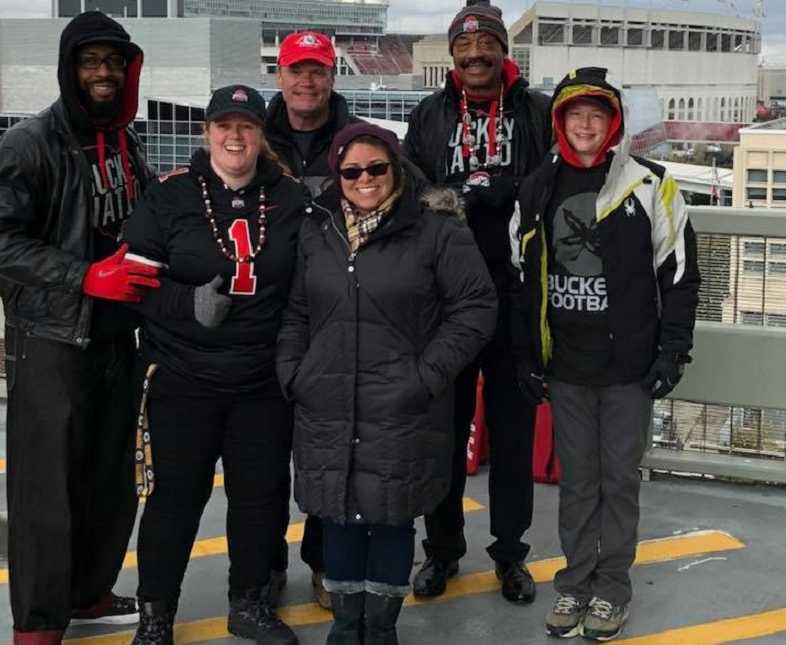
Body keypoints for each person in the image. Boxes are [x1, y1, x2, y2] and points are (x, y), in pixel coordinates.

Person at [276, 122, 498, 644]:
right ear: (338, 176)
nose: (365, 178)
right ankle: (345, 626)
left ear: (396, 168)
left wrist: (427, 376)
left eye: (377, 167)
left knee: (391, 518)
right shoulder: (318, 229)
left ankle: (379, 630)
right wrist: (294, 372)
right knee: (338, 515)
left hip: (402, 401)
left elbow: (476, 306)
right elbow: (297, 311)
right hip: (327, 398)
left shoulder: (436, 229)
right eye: (352, 170)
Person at [510, 67, 700, 641]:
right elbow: (523, 277)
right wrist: (526, 354)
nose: (585, 124)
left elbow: (681, 276)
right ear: (559, 122)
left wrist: (673, 352)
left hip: (628, 369)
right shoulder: (537, 188)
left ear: (613, 123)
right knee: (578, 482)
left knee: (619, 480)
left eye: (596, 114)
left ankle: (612, 587)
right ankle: (574, 582)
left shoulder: (653, 185)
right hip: (566, 364)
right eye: (574, 114)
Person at [123, 85, 303, 645]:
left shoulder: (292, 199)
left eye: (246, 126)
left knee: (260, 495)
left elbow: (313, 284)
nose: (234, 136)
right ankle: (156, 615)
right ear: (207, 133)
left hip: (260, 378)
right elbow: (134, 281)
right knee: (175, 496)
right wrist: (187, 304)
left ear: (260, 136)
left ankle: (247, 603)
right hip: (182, 374)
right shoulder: (171, 195)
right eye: (223, 125)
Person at [0, 12, 159, 644]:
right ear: (70, 69)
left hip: (120, 337)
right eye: (91, 61)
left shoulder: (127, 141)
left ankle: (88, 593)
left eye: (113, 62)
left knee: (109, 477)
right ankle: (39, 622)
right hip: (52, 340)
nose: (103, 72)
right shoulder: (29, 143)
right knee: (46, 492)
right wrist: (83, 276)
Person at [403, 0, 551, 605]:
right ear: (453, 55)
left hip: (515, 296)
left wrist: (510, 187)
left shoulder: (538, 112)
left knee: (513, 436)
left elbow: (557, 177)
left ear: (501, 50)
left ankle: (511, 555)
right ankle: (441, 551)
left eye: (485, 45)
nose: (474, 55)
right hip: (448, 300)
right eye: (464, 48)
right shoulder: (430, 114)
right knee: (444, 430)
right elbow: (408, 188)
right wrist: (452, 194)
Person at [263, 29, 360, 608]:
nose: (306, 81)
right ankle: (266, 565)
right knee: (264, 455)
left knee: (333, 450)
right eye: (297, 70)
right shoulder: (251, 135)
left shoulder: (356, 142)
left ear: (331, 77)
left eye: (317, 71)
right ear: (280, 76)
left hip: (333, 314)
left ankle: (324, 562)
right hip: (265, 312)